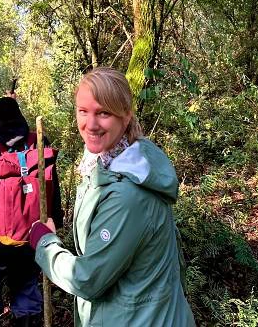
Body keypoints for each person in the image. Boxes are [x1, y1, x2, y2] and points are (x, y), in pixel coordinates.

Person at [28, 67, 195, 326]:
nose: (91, 124)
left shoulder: (128, 194)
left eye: (103, 113)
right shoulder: (110, 165)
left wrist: (45, 245)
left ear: (126, 117)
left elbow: (88, 279)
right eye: (83, 111)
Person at [0, 97, 64, 327]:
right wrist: (53, 222)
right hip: (32, 235)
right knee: (26, 287)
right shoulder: (39, 141)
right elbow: (52, 186)